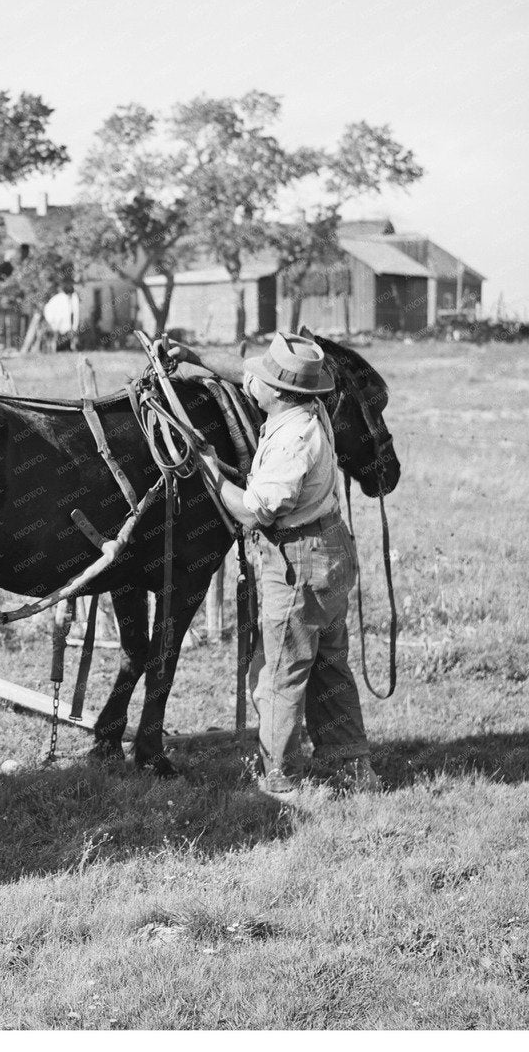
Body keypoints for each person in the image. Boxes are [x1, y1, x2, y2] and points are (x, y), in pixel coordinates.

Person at [161, 332, 381, 797]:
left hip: (299, 561)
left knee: (276, 672)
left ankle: (279, 779)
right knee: (327, 662)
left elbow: (255, 509)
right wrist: (198, 361)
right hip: (330, 550)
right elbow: (241, 374)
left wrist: (209, 472)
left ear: (278, 392)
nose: (249, 380)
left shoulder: (290, 443)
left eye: (259, 377)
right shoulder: (309, 408)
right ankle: (352, 766)